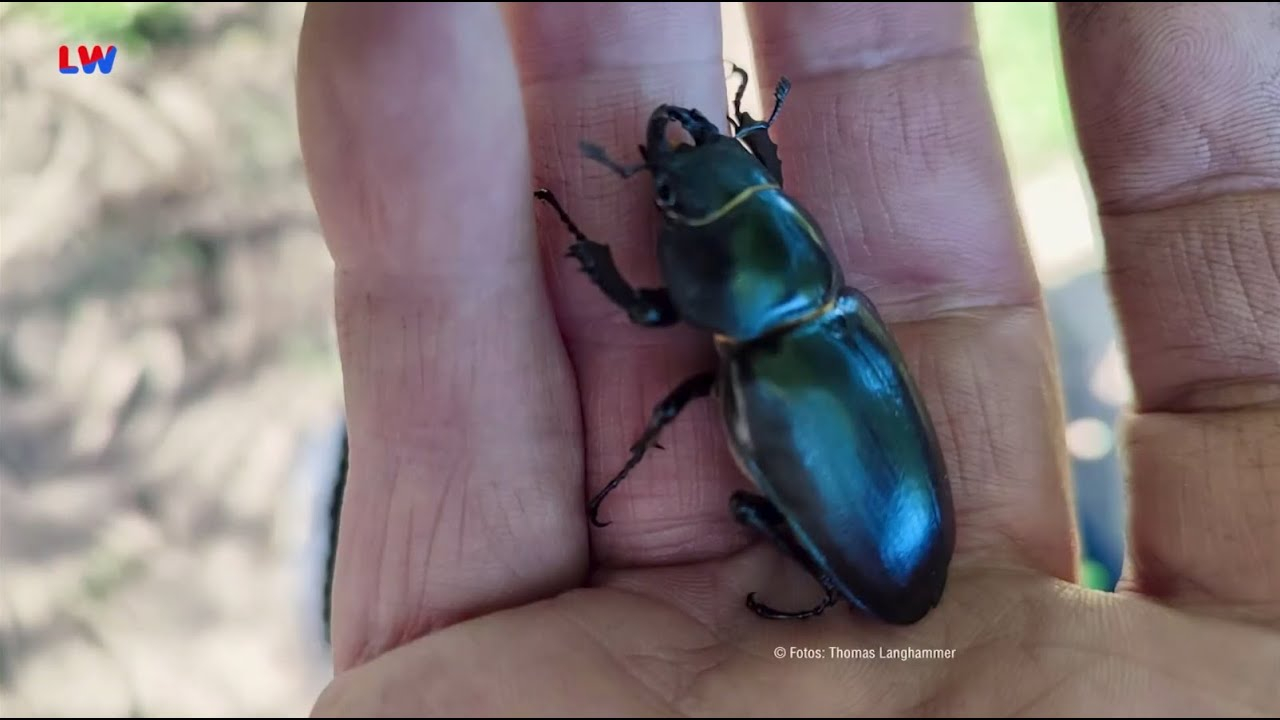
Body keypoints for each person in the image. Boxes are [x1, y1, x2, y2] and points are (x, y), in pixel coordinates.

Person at [295, 3, 1280, 715]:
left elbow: (649, 309)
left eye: (719, 171)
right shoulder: (826, 301)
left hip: (884, 556)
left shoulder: (751, 331)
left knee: (736, 492)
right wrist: (741, 149)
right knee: (745, 490)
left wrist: (591, 221)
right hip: (887, 531)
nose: (685, 154)